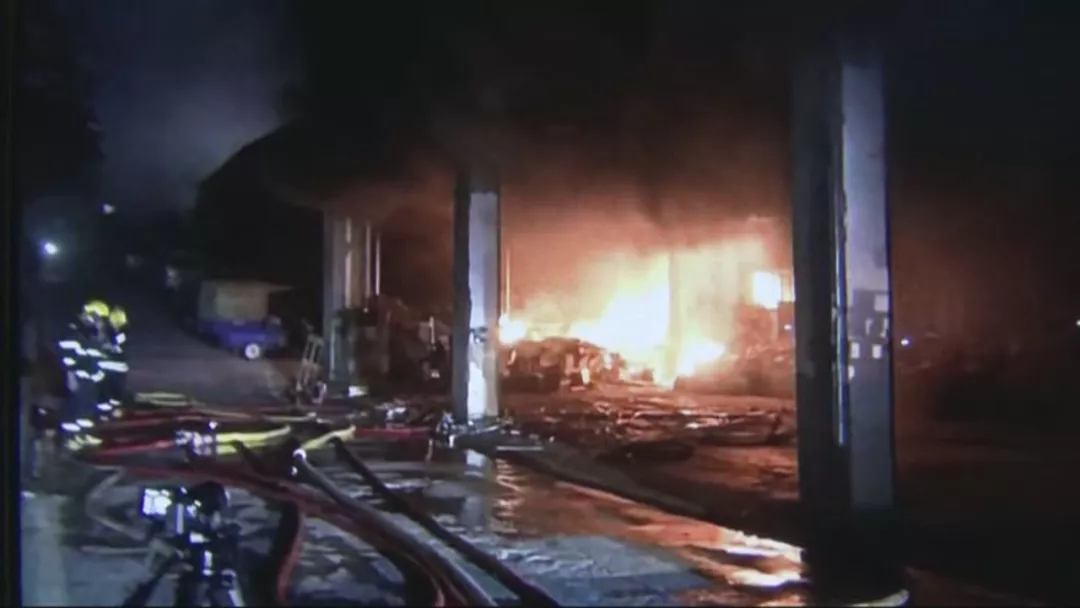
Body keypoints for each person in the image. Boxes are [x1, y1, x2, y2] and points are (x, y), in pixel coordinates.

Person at [55, 300, 111, 449]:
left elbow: (95, 354)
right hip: (78, 377)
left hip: (90, 379)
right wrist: (71, 375)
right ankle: (69, 439)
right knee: (74, 409)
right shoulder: (74, 330)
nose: (101, 323)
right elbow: (68, 354)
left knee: (86, 409)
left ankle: (83, 435)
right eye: (100, 319)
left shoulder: (91, 332)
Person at [99, 305, 131, 417]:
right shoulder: (122, 332)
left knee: (106, 391)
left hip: (108, 366)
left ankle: (105, 412)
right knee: (112, 391)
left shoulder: (104, 330)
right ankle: (110, 411)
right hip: (115, 367)